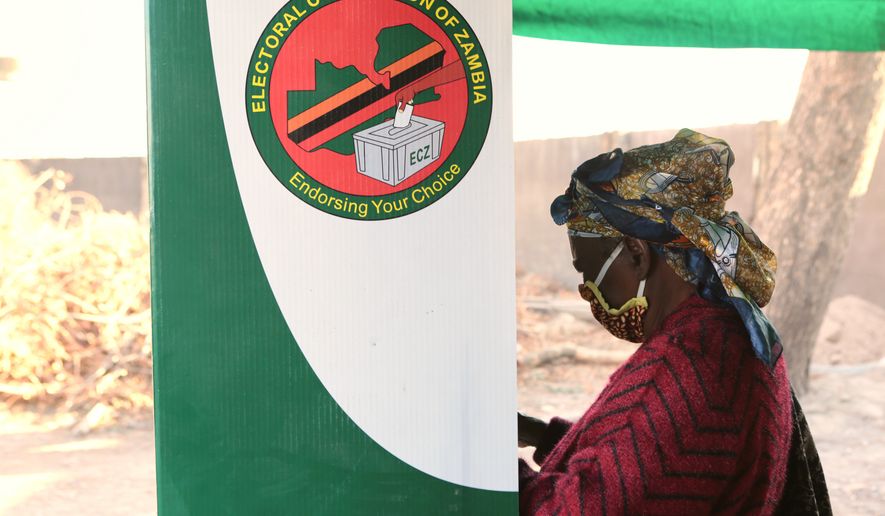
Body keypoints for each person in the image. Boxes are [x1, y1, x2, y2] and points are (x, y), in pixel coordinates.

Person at [518, 129, 831, 515]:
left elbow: (572, 510)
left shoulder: (690, 365)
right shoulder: (729, 330)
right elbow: (650, 464)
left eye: (590, 270)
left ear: (636, 254)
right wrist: (544, 436)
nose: (588, 291)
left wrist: (494, 471)